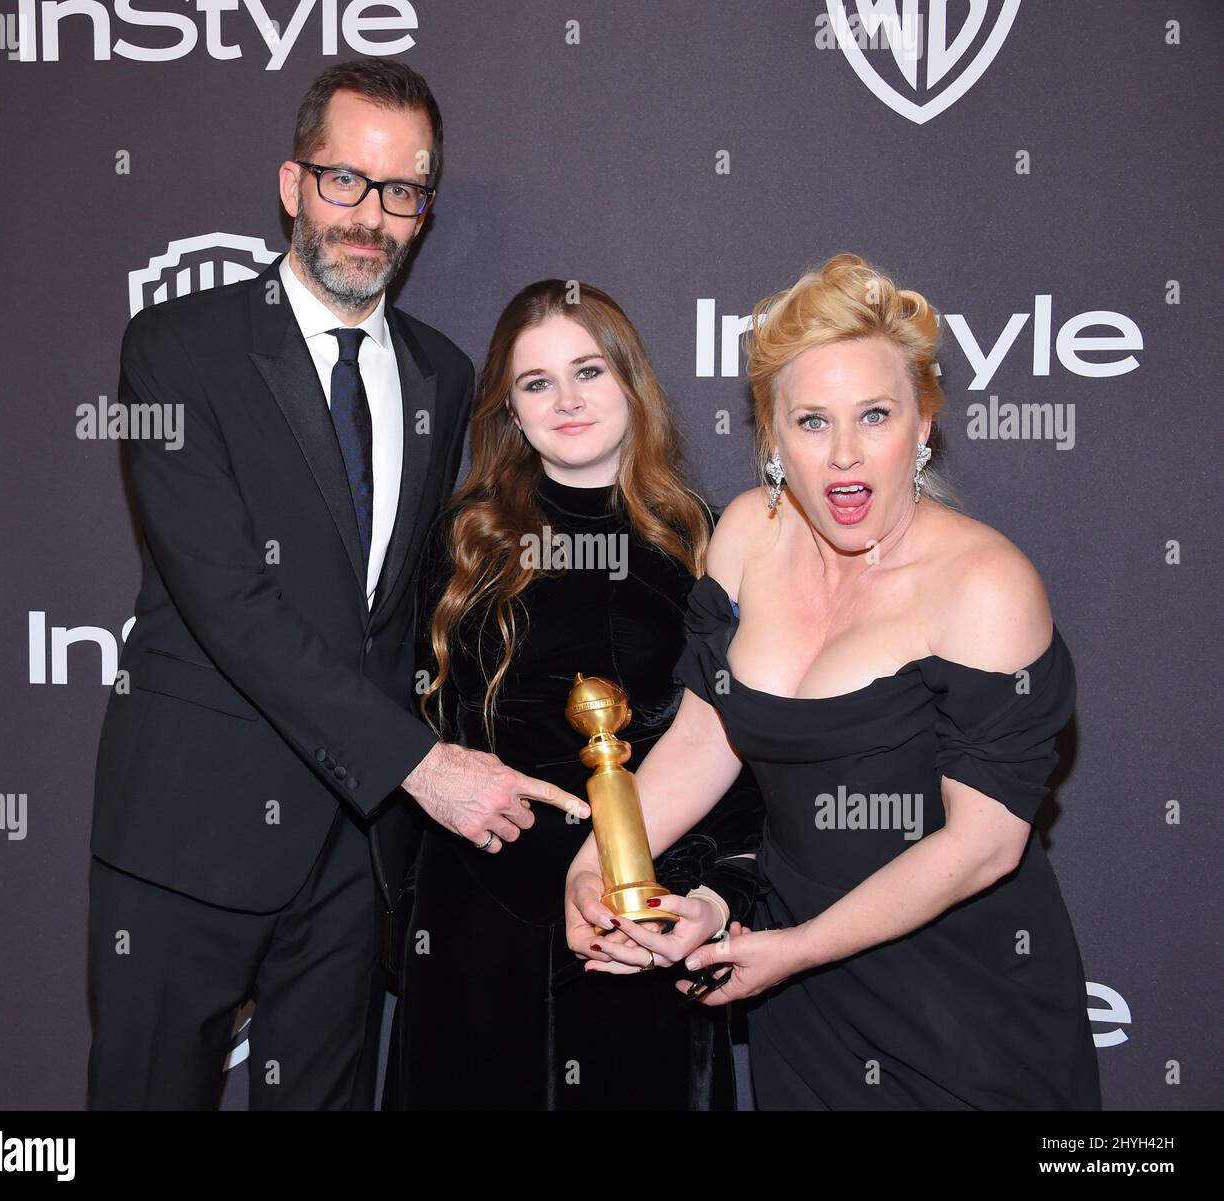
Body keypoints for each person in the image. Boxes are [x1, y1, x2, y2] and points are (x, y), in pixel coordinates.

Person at [87, 61, 587, 1111]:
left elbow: (407, 615)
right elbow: (229, 603)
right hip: (191, 836)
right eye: (345, 181)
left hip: (357, 856)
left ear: (424, 213)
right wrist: (420, 764)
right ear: (290, 184)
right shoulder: (177, 350)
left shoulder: (444, 375)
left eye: (401, 191)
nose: (370, 216)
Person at [565, 254, 1101, 1110]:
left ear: (924, 424)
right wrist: (593, 864)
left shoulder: (986, 583)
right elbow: (706, 738)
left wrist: (800, 946)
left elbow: (983, 844)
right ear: (772, 438)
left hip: (959, 1001)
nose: (845, 455)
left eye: (875, 416)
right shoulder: (745, 533)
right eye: (811, 422)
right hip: (804, 1005)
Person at [383, 280, 765, 1110]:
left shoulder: (709, 539)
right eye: (536, 382)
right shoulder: (463, 541)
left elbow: (738, 749)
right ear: (510, 411)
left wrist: (699, 891)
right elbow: (414, 739)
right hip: (479, 917)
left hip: (640, 911)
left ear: (632, 381)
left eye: (588, 371)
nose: (566, 400)